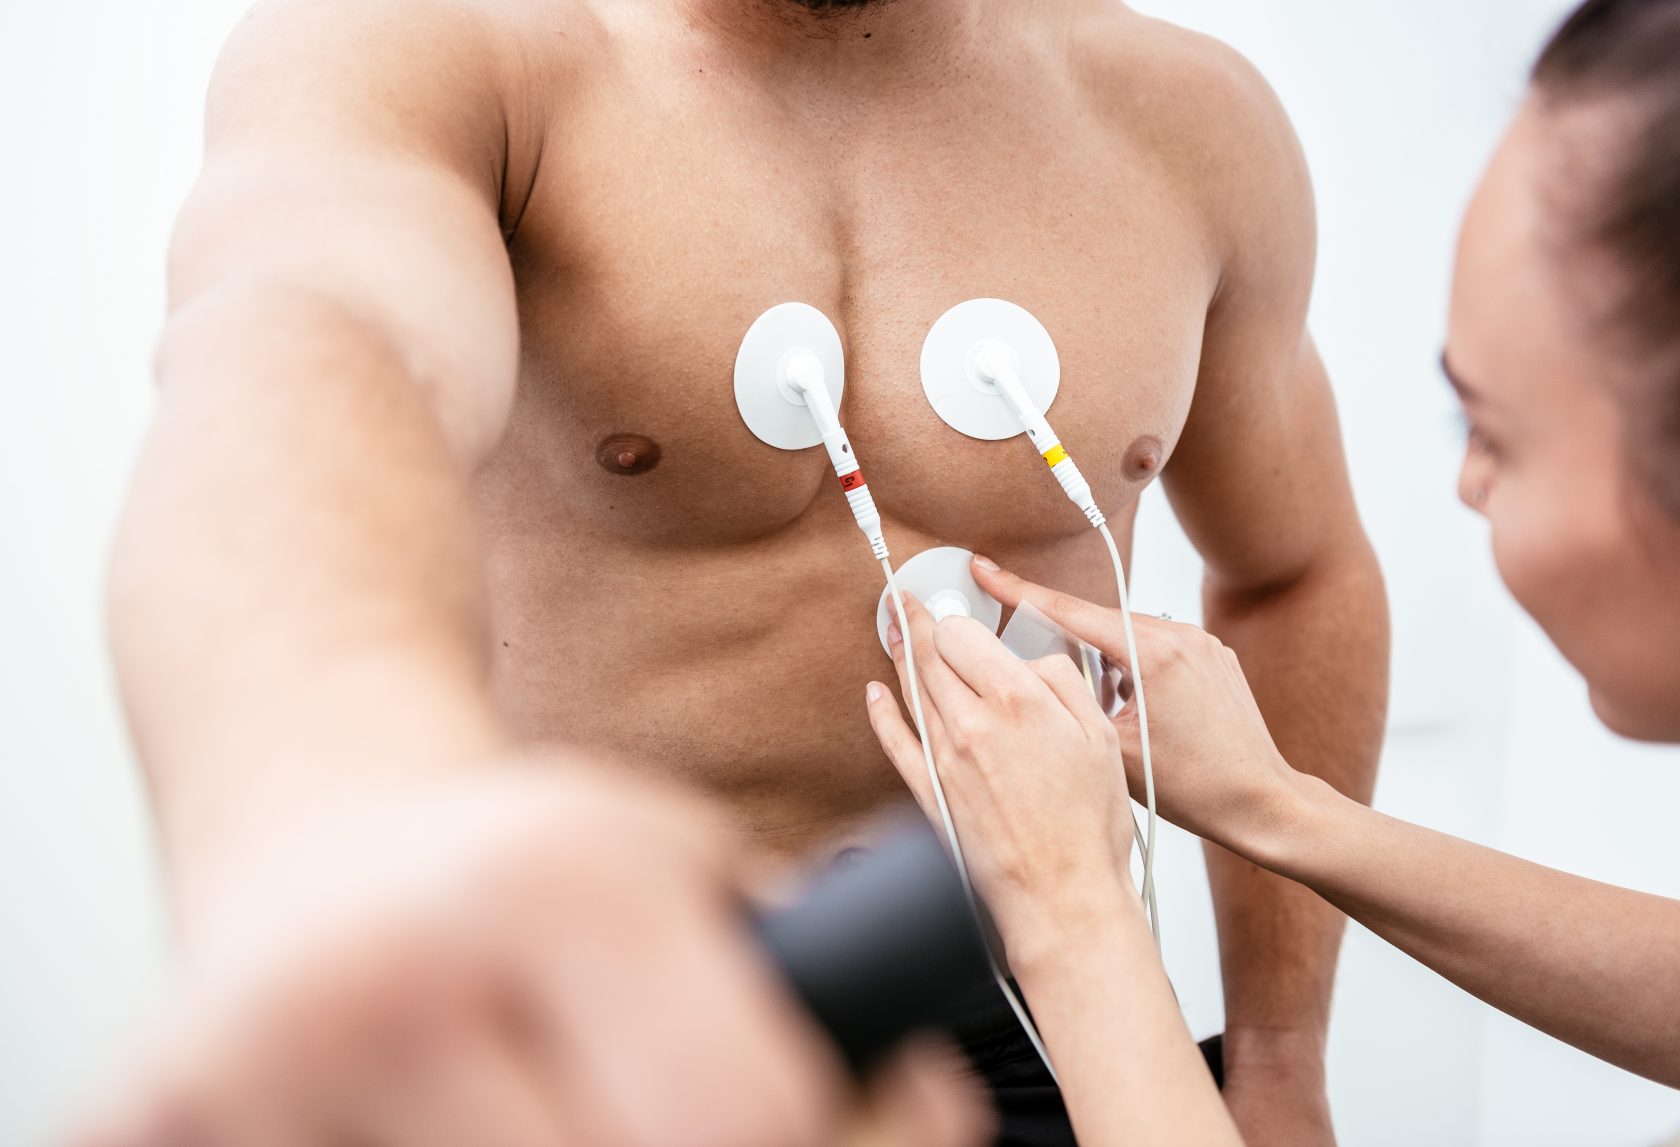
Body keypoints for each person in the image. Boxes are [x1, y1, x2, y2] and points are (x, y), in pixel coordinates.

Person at [100, 0, 1388, 1142]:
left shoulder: (1185, 115)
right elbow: (310, 347)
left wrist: (1281, 1054)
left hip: (1062, 1011)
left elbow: (1294, 568)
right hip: (621, 1026)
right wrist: (319, 853)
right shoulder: (441, 48)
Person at [864, 1, 1680, 1142]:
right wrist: (1277, 805)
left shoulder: (1180, 117)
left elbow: (1299, 567)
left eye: (1484, 427)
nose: (1466, 487)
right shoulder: (531, 86)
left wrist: (1069, 902)